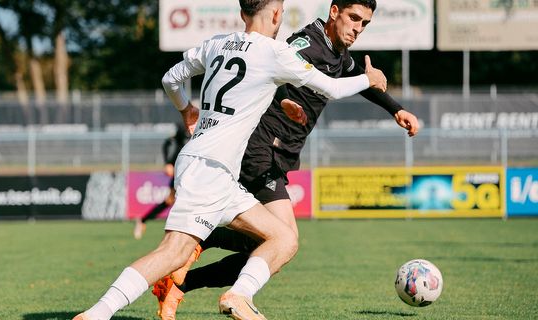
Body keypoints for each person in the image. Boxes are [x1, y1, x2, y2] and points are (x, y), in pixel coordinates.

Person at [73, 0, 387, 319]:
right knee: (172, 252)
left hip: (213, 168)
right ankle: (98, 313)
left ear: (242, 14)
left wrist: (186, 109)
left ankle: (239, 295)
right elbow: (331, 88)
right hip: (210, 169)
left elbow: (170, 78)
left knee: (284, 238)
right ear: (277, 15)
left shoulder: (216, 43)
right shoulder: (275, 53)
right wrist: (369, 78)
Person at [151, 0, 421, 319]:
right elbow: (269, 68)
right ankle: (222, 284)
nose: (357, 28)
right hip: (260, 150)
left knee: (265, 247)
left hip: (277, 155)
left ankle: (184, 271)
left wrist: (396, 109)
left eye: (364, 23)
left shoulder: (338, 54)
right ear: (334, 11)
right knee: (284, 241)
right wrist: (285, 99)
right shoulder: (306, 44)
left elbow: (360, 77)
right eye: (353, 18)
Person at [133, 123, 190, 239]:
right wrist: (168, 162)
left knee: (174, 201)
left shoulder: (202, 128)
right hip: (180, 171)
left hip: (189, 171)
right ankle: (143, 220)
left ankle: (144, 220)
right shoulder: (183, 129)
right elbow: (168, 143)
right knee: (171, 201)